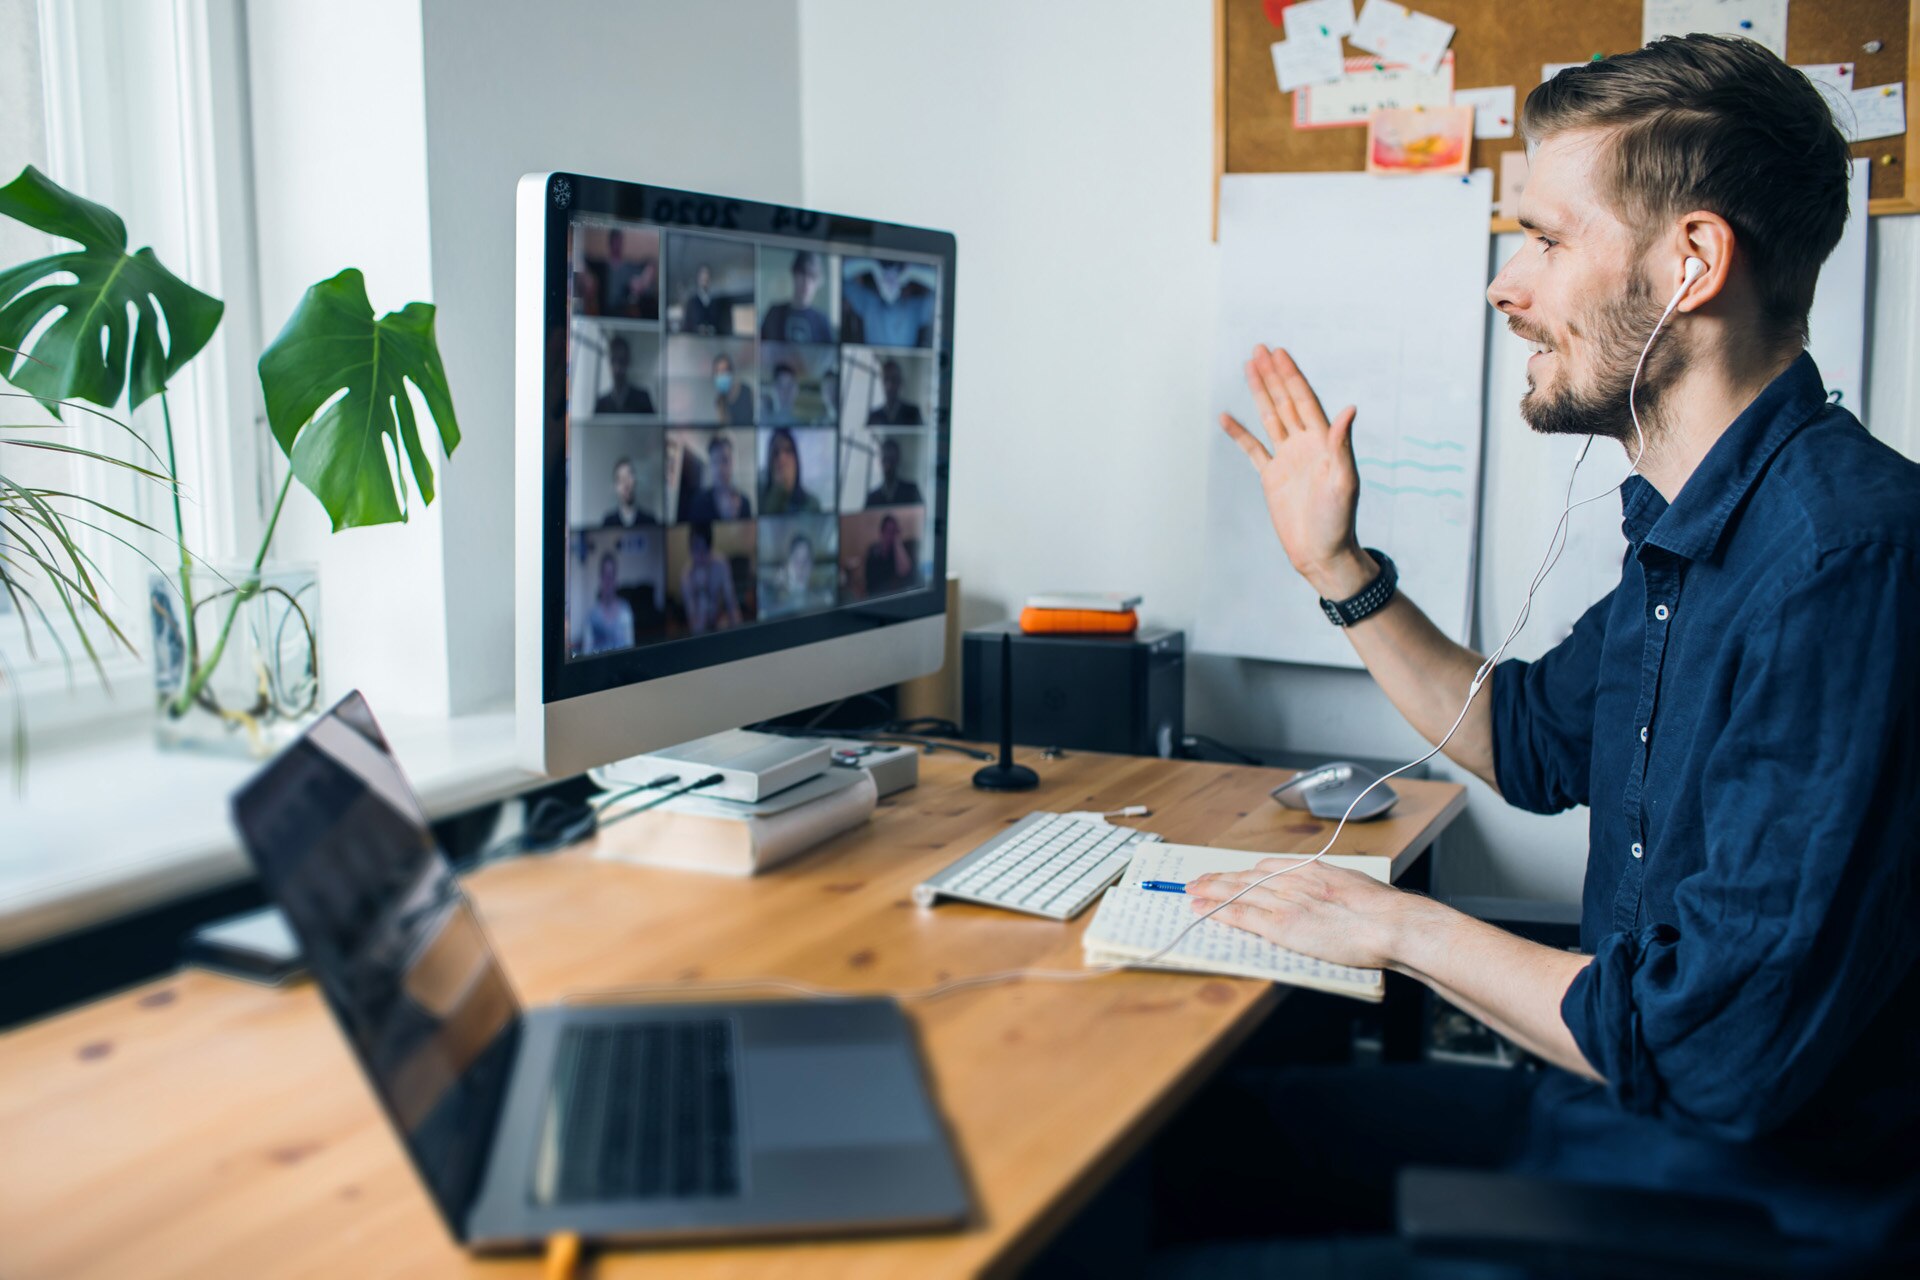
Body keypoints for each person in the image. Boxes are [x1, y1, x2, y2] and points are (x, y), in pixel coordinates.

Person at [1162, 35, 1920, 1271]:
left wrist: (1397, 928)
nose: (1507, 286)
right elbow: (1525, 739)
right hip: (1607, 1126)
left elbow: (1712, 1054)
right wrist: (1336, 571)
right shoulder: (1697, 527)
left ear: (1693, 262)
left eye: (1549, 240)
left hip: (1741, 1215)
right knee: (1183, 1151)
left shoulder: (1843, 563)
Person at [841, 258, 936, 347]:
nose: (890, 283)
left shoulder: (868, 304)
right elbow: (838, 273)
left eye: (895, 275)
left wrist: (910, 273)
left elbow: (839, 274)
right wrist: (874, 267)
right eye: (886, 275)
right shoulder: (869, 303)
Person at [680, 521, 742, 634]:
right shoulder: (686, 576)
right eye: (696, 549)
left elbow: (732, 604)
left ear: (710, 548)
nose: (700, 556)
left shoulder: (721, 565)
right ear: (690, 549)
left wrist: (738, 633)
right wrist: (702, 590)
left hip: (722, 624)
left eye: (704, 550)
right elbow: (695, 627)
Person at [759, 250, 834, 343]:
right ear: (794, 274)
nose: (806, 282)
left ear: (818, 281)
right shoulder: (775, 313)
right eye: (803, 273)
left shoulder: (822, 321)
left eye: (812, 276)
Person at [685, 434, 751, 521]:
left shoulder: (745, 502)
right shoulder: (698, 502)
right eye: (715, 461)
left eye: (725, 460)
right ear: (710, 465)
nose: (720, 468)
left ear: (732, 463)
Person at [762, 531, 830, 616]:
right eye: (796, 560)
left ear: (812, 565)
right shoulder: (772, 603)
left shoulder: (822, 602)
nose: (801, 567)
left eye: (806, 560)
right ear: (788, 564)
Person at [760, 427, 821, 514]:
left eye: (788, 450)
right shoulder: (761, 503)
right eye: (776, 453)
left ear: (796, 461)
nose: (782, 459)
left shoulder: (812, 504)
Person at [583, 552, 634, 655]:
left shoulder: (625, 611)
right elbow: (586, 653)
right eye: (605, 575)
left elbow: (630, 649)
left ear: (616, 579)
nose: (608, 581)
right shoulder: (591, 616)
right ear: (600, 578)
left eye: (611, 576)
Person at [601, 227, 657, 320]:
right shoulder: (602, 266)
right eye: (615, 240)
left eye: (620, 240)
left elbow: (651, 262)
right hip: (605, 314)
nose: (618, 244)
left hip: (624, 314)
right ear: (610, 242)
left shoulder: (628, 267)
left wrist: (644, 279)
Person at [593, 334, 655, 416]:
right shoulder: (601, 404)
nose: (617, 368)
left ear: (628, 362)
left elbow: (653, 428)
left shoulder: (642, 399)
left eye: (621, 361)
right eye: (613, 361)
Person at [862, 513, 916, 596]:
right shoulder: (873, 551)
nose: (890, 536)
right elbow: (869, 584)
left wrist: (897, 541)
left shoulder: (899, 551)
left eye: (893, 532)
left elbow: (904, 571)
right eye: (888, 531)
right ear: (882, 532)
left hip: (895, 596)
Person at [864, 437, 922, 508]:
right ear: (881, 462)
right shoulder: (872, 498)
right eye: (885, 459)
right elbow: (865, 518)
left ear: (897, 460)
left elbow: (921, 515)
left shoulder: (911, 491)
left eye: (891, 459)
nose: (888, 464)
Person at [600, 456, 657, 528]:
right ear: (615, 487)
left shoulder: (650, 521)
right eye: (620, 479)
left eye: (628, 477)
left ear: (635, 481)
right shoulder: (608, 523)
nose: (625, 484)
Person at [866, 358, 924, 425]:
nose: (889, 386)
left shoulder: (913, 412)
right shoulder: (873, 416)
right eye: (886, 379)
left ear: (900, 382)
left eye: (894, 379)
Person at [679, 263, 732, 335]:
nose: (705, 279)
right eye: (702, 277)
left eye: (707, 276)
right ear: (698, 279)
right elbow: (686, 326)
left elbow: (722, 326)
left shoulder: (716, 302)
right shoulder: (692, 302)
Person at [711, 353, 753, 426]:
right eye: (717, 372)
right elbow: (723, 427)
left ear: (731, 372)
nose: (721, 375)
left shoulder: (747, 390)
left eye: (724, 371)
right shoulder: (719, 401)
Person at [762, 361, 801, 425]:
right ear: (773, 388)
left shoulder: (803, 425)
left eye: (790, 385)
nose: (786, 392)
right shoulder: (764, 420)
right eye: (780, 386)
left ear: (796, 389)